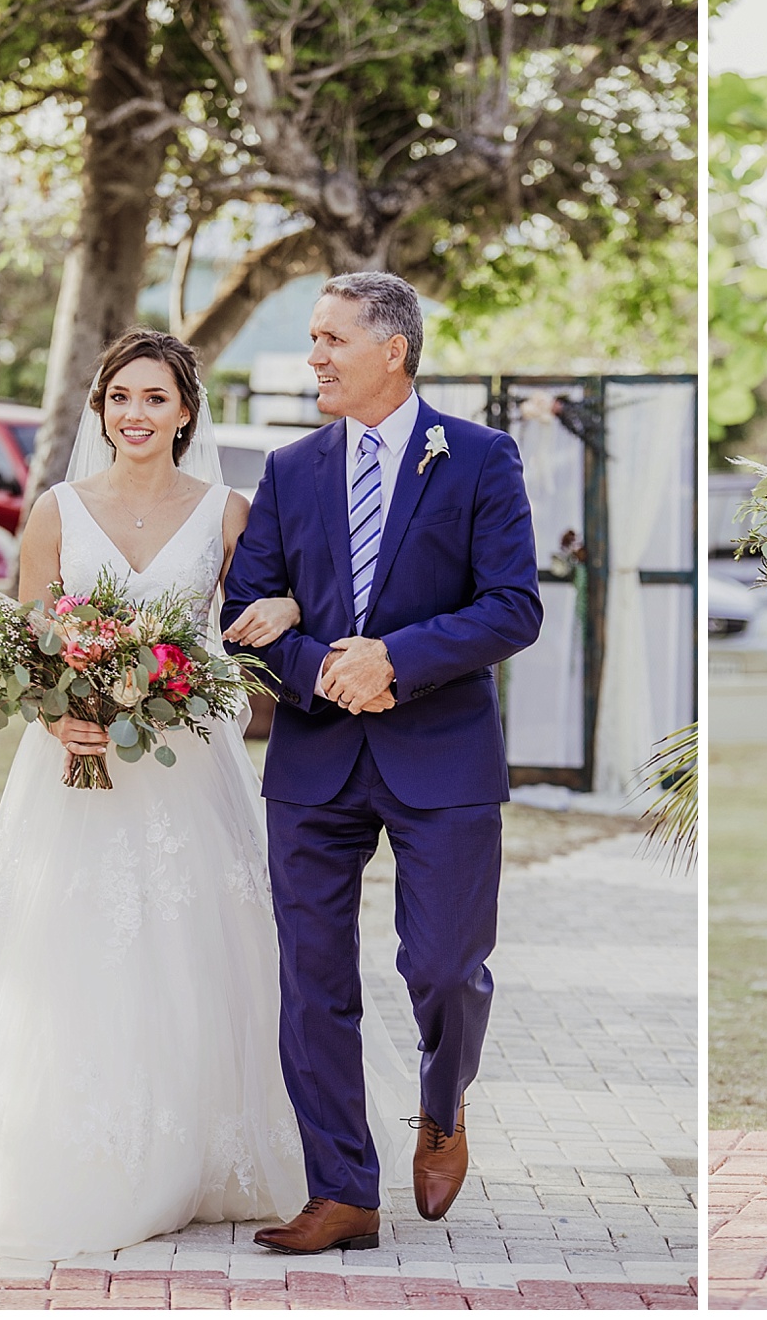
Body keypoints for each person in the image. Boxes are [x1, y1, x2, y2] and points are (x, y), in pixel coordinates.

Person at [0, 328, 311, 1259]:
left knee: (204, 946)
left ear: (186, 410)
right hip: (73, 769)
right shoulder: (57, 510)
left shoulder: (229, 513)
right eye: (120, 397)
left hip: (189, 765)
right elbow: (30, 640)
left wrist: (269, 623)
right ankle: (68, 1145)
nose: (135, 414)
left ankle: (203, 1145)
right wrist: (54, 717)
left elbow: (256, 625)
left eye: (155, 397)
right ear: (100, 410)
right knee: (71, 947)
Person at [222, 272, 542, 1253]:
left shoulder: (481, 458)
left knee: (445, 968)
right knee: (313, 978)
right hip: (315, 759)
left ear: (390, 350)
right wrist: (325, 667)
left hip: (442, 753)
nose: (313, 355)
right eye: (313, 340)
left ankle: (442, 1107)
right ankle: (344, 1191)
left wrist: (398, 659)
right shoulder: (288, 470)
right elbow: (249, 608)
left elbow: (512, 605)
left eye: (330, 339)